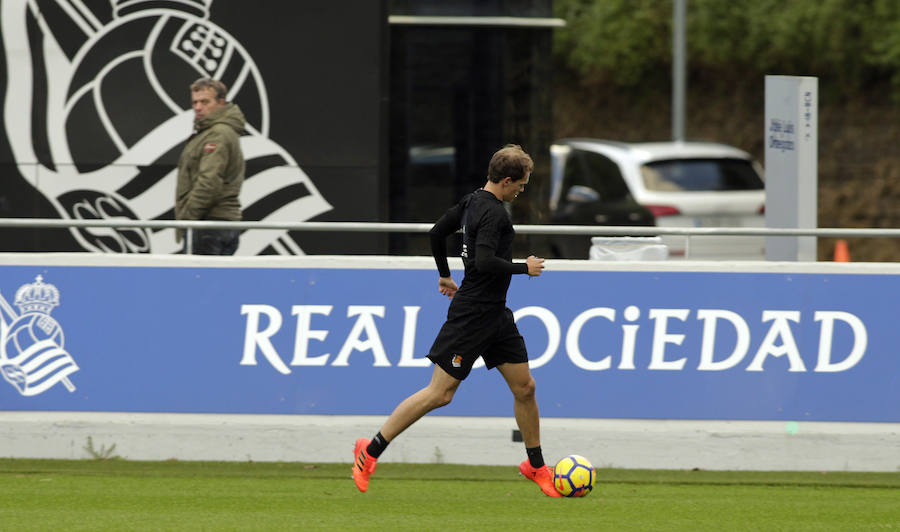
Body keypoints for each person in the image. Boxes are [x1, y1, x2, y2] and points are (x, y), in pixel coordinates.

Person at [352, 144, 560, 497]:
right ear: (507, 181)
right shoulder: (493, 213)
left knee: (525, 387)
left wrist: (445, 275)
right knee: (440, 394)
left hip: (496, 314)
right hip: (472, 315)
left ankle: (536, 466)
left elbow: (436, 233)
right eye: (520, 186)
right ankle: (368, 452)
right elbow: (483, 262)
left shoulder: (471, 201)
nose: (520, 192)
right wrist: (524, 267)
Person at [175, 77, 245, 255]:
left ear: (221, 103)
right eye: (195, 102)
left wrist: (187, 219)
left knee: (195, 282)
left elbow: (209, 182)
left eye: (205, 102)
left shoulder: (217, 134)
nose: (198, 107)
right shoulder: (214, 131)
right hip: (218, 224)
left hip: (209, 225)